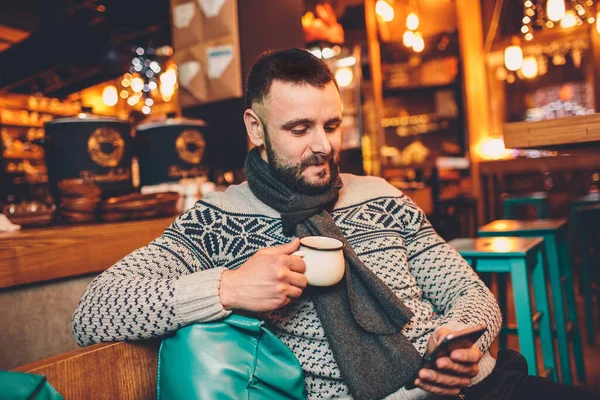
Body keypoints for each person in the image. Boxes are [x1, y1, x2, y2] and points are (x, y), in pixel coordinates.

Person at [72, 48, 598, 400]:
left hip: (476, 384)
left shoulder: (383, 196)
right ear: (256, 129)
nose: (322, 145)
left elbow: (469, 289)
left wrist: (466, 341)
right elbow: (94, 312)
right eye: (298, 128)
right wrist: (229, 287)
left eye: (330, 124)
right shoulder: (216, 222)